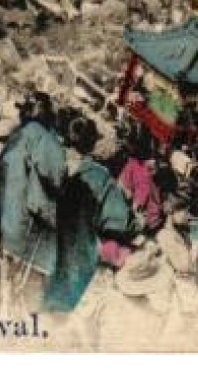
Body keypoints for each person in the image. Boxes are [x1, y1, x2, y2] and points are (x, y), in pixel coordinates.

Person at [43, 116, 137, 313]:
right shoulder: (101, 176)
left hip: (49, 241)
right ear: (94, 142)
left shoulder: (55, 160)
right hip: (82, 246)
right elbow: (116, 222)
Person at [0, 91, 66, 291]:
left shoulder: (16, 135)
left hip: (3, 222)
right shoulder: (46, 140)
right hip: (23, 230)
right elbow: (52, 185)